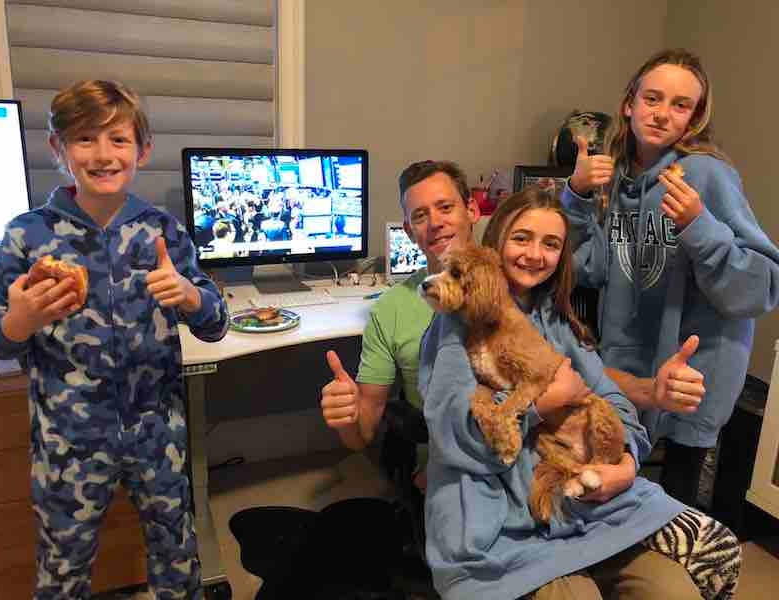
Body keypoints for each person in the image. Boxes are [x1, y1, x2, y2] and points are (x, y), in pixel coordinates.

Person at [420, 187, 741, 600]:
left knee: (672, 591)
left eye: (550, 244)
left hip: (588, 507)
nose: (535, 254)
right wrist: (543, 404)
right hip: (502, 525)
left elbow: (611, 401)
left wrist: (625, 464)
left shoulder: (559, 321)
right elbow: (452, 434)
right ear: (496, 240)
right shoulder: (458, 327)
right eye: (522, 238)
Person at [0, 80, 229, 599]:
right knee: (63, 567)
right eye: (85, 139)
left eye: (117, 139)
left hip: (157, 433)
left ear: (142, 149)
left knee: (177, 557)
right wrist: (17, 323)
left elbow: (215, 323)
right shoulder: (27, 236)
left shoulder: (164, 231)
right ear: (59, 149)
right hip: (69, 441)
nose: (103, 155)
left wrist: (189, 296)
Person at [562, 48, 779, 505]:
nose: (662, 114)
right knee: (613, 495)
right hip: (629, 371)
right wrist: (577, 196)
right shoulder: (620, 176)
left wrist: (700, 225)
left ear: (695, 117)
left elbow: (761, 289)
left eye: (680, 105)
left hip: (693, 379)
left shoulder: (707, 174)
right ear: (629, 103)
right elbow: (591, 268)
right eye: (652, 99)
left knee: (676, 512)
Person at [320, 160, 479, 486]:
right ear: (409, 231)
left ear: (472, 210)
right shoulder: (392, 309)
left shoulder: (515, 279)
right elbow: (360, 436)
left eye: (445, 207)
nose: (435, 223)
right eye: (420, 216)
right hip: (445, 470)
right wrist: (347, 416)